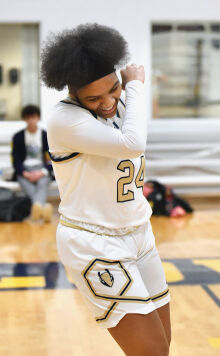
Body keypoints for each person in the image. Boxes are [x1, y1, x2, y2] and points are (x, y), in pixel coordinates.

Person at [41, 24, 170, 356]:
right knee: (151, 351)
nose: (109, 102)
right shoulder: (64, 119)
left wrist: (132, 90)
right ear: (73, 93)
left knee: (162, 346)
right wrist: (136, 83)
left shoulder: (124, 102)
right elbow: (132, 143)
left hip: (140, 233)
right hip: (94, 241)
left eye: (114, 89)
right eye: (93, 98)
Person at [11, 104, 53, 222]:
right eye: (28, 118)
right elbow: (16, 160)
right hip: (25, 170)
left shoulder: (45, 136)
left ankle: (36, 208)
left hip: (42, 169)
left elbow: (51, 158)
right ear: (24, 119)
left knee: (42, 182)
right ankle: (43, 208)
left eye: (33, 117)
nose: (31, 120)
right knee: (27, 185)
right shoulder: (18, 137)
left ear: (38, 118)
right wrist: (25, 174)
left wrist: (42, 172)